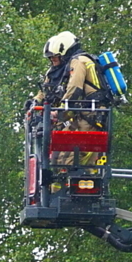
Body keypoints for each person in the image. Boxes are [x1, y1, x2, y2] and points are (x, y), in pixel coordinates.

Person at [34, 32, 106, 168]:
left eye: (54, 58)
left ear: (64, 51)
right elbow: (50, 88)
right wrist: (36, 101)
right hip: (82, 116)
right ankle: (62, 187)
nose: (52, 61)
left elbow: (74, 89)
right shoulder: (69, 65)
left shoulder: (78, 61)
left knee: (66, 160)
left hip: (89, 117)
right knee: (58, 158)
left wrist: (59, 113)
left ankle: (65, 188)